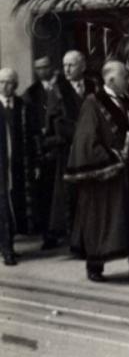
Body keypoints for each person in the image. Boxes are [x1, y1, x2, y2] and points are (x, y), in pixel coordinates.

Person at [64, 60, 129, 283]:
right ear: (111, 80)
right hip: (106, 178)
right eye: (126, 77)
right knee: (103, 223)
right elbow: (87, 141)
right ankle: (95, 266)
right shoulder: (93, 103)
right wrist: (117, 157)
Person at [45, 50, 96, 247]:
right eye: (64, 65)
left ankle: (90, 236)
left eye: (71, 65)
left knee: (90, 192)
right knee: (70, 194)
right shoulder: (57, 90)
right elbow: (56, 122)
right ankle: (75, 241)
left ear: (82, 66)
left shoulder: (93, 86)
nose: (66, 69)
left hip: (91, 149)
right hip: (68, 149)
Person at [1, 68, 36, 265]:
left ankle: (9, 244)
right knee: (3, 207)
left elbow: (31, 136)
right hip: (0, 167)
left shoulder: (22, 106)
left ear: (15, 85)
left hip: (18, 166)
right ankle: (7, 250)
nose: (6, 86)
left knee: (15, 205)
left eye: (10, 82)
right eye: (2, 82)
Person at [23, 56, 59, 246]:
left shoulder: (61, 87)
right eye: (38, 68)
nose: (42, 71)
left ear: (51, 67)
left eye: (45, 66)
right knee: (45, 193)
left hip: (59, 145)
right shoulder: (31, 93)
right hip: (42, 148)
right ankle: (48, 234)